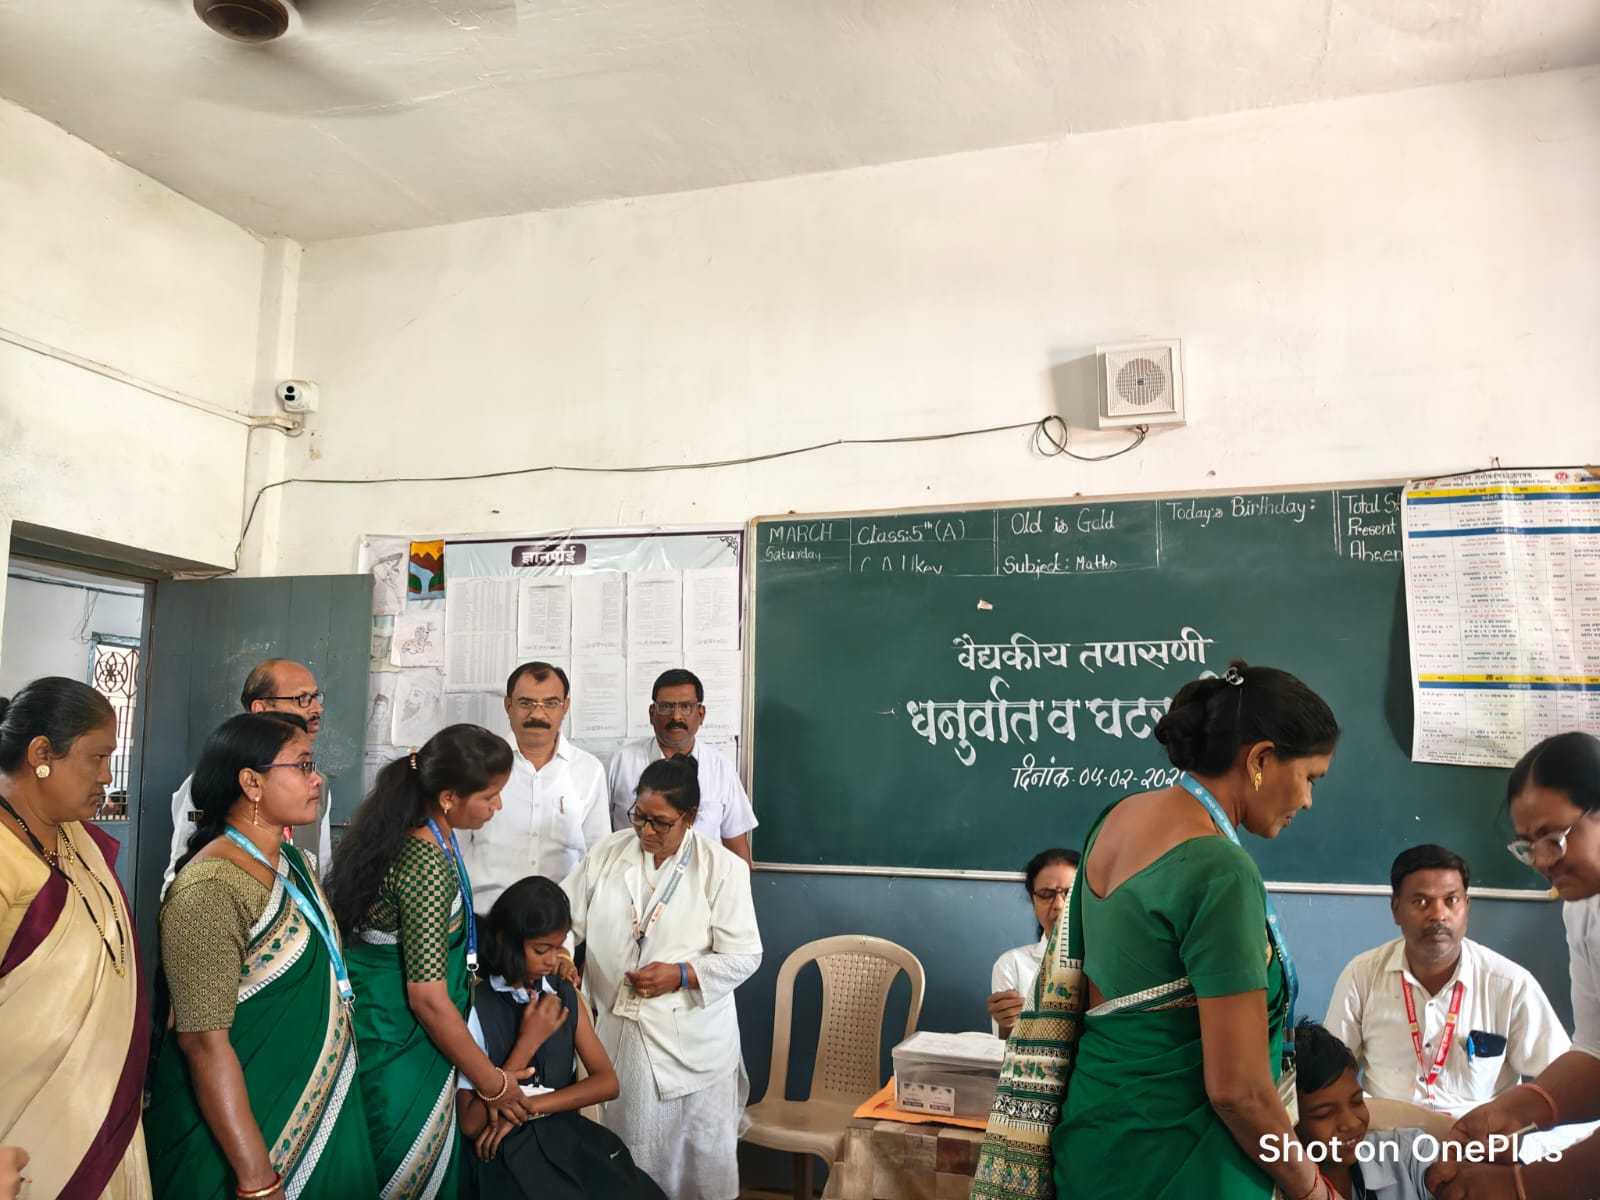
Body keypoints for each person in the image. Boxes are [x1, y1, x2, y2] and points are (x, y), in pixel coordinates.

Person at [973, 660, 1342, 1200]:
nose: (1308, 800)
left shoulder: (1115, 819)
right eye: (1310, 777)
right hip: (1185, 1161)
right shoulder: (1221, 869)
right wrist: (1311, 1189)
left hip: (1094, 1143)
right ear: (1260, 759)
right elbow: (1239, 1091)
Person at [145, 713, 377, 1199]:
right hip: (245, 1132)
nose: (317, 779)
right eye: (303, 765)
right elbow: (203, 1042)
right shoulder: (211, 886)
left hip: (317, 1093)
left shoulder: (294, 863)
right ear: (251, 782)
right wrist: (255, 1177)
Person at [324, 724, 544, 1199]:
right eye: (489, 795)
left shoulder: (427, 838)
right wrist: (493, 1083)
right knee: (404, 1177)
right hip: (401, 1045)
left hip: (398, 1032)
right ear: (448, 798)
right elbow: (426, 999)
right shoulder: (425, 863)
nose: (497, 805)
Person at [563, 755, 763, 1200]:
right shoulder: (607, 853)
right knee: (634, 1159)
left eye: (661, 823)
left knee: (699, 1165)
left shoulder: (721, 868)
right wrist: (560, 956)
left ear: (689, 818)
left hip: (694, 1041)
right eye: (640, 817)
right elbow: (562, 920)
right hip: (621, 1035)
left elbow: (745, 956)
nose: (647, 832)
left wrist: (682, 974)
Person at [1426, 731, 1600, 1200]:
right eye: (1528, 844)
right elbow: (1596, 1050)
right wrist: (1518, 1108)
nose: (1542, 861)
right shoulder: (1583, 907)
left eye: (1553, 838)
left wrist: (1523, 1185)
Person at [0, 676, 150, 1199]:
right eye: (97, 758)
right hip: (24, 1136)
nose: (107, 776)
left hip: (104, 1118)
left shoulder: (75, 841)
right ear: (41, 754)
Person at [456, 876, 668, 1200]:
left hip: (564, 1138)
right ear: (506, 941)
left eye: (558, 948)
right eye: (541, 950)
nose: (552, 960)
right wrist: (528, 1042)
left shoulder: (564, 994)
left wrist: (529, 1109)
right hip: (502, 1152)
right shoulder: (478, 1008)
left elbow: (607, 1083)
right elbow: (471, 1123)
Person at [1325, 844, 1568, 1116]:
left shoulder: (1510, 984)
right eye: (1421, 902)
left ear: (1467, 907)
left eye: (1451, 900)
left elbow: (1561, 1079)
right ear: (1396, 910)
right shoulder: (1362, 976)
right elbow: (1330, 1075)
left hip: (1480, 1134)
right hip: (1387, 1132)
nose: (1438, 915)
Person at [163, 659, 334, 896]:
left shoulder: (317, 786)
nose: (316, 709)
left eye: (316, 697)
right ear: (260, 709)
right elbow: (180, 868)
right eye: (302, 699)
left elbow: (321, 867)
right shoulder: (213, 781)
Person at [459, 662, 609, 915]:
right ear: (508, 705)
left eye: (550, 703)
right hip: (486, 919)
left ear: (565, 707)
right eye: (526, 703)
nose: (537, 714)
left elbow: (600, 856)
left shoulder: (589, 769)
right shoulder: (477, 765)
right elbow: (455, 849)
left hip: (562, 924)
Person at [606, 669, 757, 866]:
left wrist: (741, 884)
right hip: (630, 880)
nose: (676, 716)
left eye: (686, 707)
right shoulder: (622, 762)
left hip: (702, 882)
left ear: (701, 714)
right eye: (666, 707)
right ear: (652, 714)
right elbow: (602, 836)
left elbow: (736, 848)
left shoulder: (721, 768)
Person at [1291, 1019, 1436, 1199]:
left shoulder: (1408, 1153)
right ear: (1288, 1121)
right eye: (1325, 1114)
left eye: (1357, 1101)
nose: (1351, 1123)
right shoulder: (1270, 1191)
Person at [988, 848, 1080, 1038]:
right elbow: (1005, 1046)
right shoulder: (1012, 964)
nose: (1059, 905)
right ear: (1033, 903)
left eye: (1070, 893)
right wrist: (1007, 1021)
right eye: (1046, 894)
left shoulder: (1106, 963)